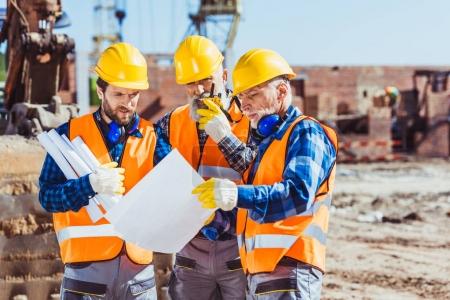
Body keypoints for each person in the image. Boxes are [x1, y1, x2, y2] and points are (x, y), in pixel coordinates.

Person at [193, 48, 338, 299]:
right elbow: (255, 212)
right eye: (240, 97)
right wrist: (212, 221)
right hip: (261, 277)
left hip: (290, 272)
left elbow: (298, 194)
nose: (244, 104)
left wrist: (235, 194)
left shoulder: (305, 132)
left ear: (281, 92)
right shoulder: (267, 145)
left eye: (253, 94)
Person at [39, 42, 161, 299]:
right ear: (100, 90)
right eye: (119, 95)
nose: (127, 103)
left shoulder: (154, 137)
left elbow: (173, 190)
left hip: (138, 275)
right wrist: (89, 185)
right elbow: (47, 196)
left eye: (133, 95)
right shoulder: (68, 137)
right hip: (86, 274)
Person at [154, 35, 253, 299]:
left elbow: (260, 173)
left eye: (206, 80)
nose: (198, 90)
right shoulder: (170, 123)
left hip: (237, 246)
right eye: (190, 83)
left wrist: (225, 136)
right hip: (190, 249)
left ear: (224, 75)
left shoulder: (250, 119)